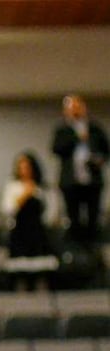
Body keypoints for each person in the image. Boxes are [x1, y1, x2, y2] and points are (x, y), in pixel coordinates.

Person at [51, 94, 109, 246]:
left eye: (78, 106)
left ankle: (93, 253)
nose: (76, 110)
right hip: (71, 182)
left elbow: (106, 150)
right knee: (73, 219)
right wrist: (77, 138)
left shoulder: (95, 128)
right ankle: (76, 254)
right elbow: (56, 149)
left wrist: (99, 160)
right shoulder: (63, 130)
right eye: (72, 107)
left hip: (92, 181)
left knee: (93, 219)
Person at [0, 151, 58, 291]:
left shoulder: (42, 188)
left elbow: (50, 212)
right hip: (20, 234)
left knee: (41, 275)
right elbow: (7, 209)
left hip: (38, 234)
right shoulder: (12, 186)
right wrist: (24, 194)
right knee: (20, 275)